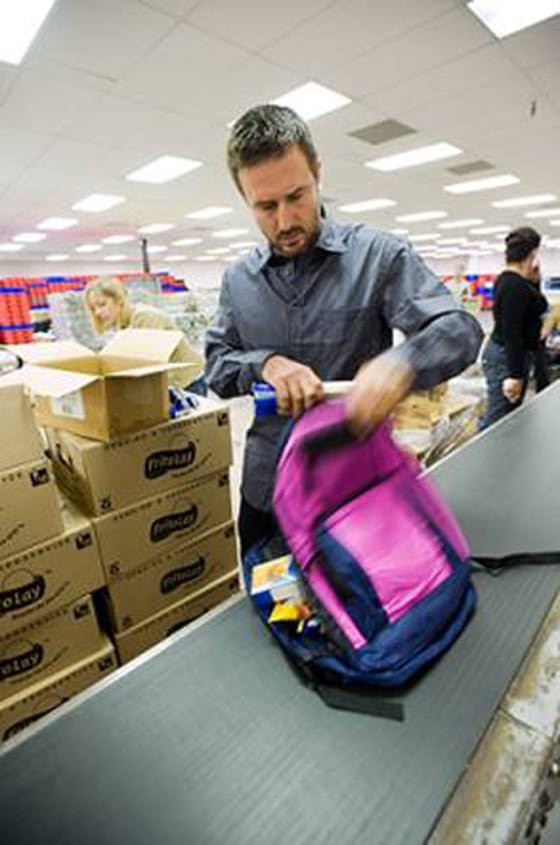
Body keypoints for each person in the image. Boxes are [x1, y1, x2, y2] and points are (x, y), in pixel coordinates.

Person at [204, 104, 483, 554]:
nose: (285, 221)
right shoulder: (238, 280)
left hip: (351, 494)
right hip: (266, 493)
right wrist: (266, 364)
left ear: (318, 172)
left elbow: (460, 329)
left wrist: (402, 362)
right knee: (264, 614)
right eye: (266, 207)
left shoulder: (379, 256)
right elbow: (217, 365)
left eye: (297, 196)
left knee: (354, 619)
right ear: (244, 200)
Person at [84, 276, 205, 391]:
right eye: (93, 308)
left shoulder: (144, 317)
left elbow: (146, 361)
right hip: (168, 383)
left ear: (119, 300)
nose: (97, 313)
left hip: (187, 382)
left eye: (102, 304)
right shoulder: (123, 324)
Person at [479, 227, 546, 429]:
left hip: (511, 355)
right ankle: (487, 458)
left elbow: (532, 306)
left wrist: (535, 281)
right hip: (505, 357)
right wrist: (515, 375)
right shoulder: (513, 285)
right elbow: (512, 332)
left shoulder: (515, 281)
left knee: (509, 416)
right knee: (498, 421)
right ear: (531, 254)